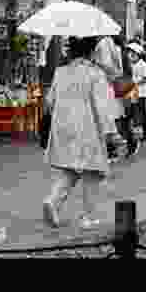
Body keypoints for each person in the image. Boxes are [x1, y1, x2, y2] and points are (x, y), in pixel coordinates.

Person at [42, 36, 121, 229]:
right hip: (88, 129)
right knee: (91, 172)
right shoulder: (95, 74)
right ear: (92, 51)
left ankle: (53, 201)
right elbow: (102, 107)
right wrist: (111, 133)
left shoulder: (60, 72)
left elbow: (50, 102)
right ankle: (88, 216)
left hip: (62, 128)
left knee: (70, 169)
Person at [90, 35, 123, 161]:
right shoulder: (108, 41)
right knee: (106, 118)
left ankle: (109, 150)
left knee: (103, 118)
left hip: (102, 83)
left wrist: (95, 62)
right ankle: (110, 150)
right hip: (104, 84)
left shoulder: (104, 42)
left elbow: (107, 65)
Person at [127, 42, 146, 145]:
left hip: (141, 93)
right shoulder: (131, 64)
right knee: (135, 113)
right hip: (134, 93)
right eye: (129, 52)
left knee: (142, 113)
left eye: (133, 53)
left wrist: (137, 83)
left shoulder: (142, 63)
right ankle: (139, 134)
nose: (130, 55)